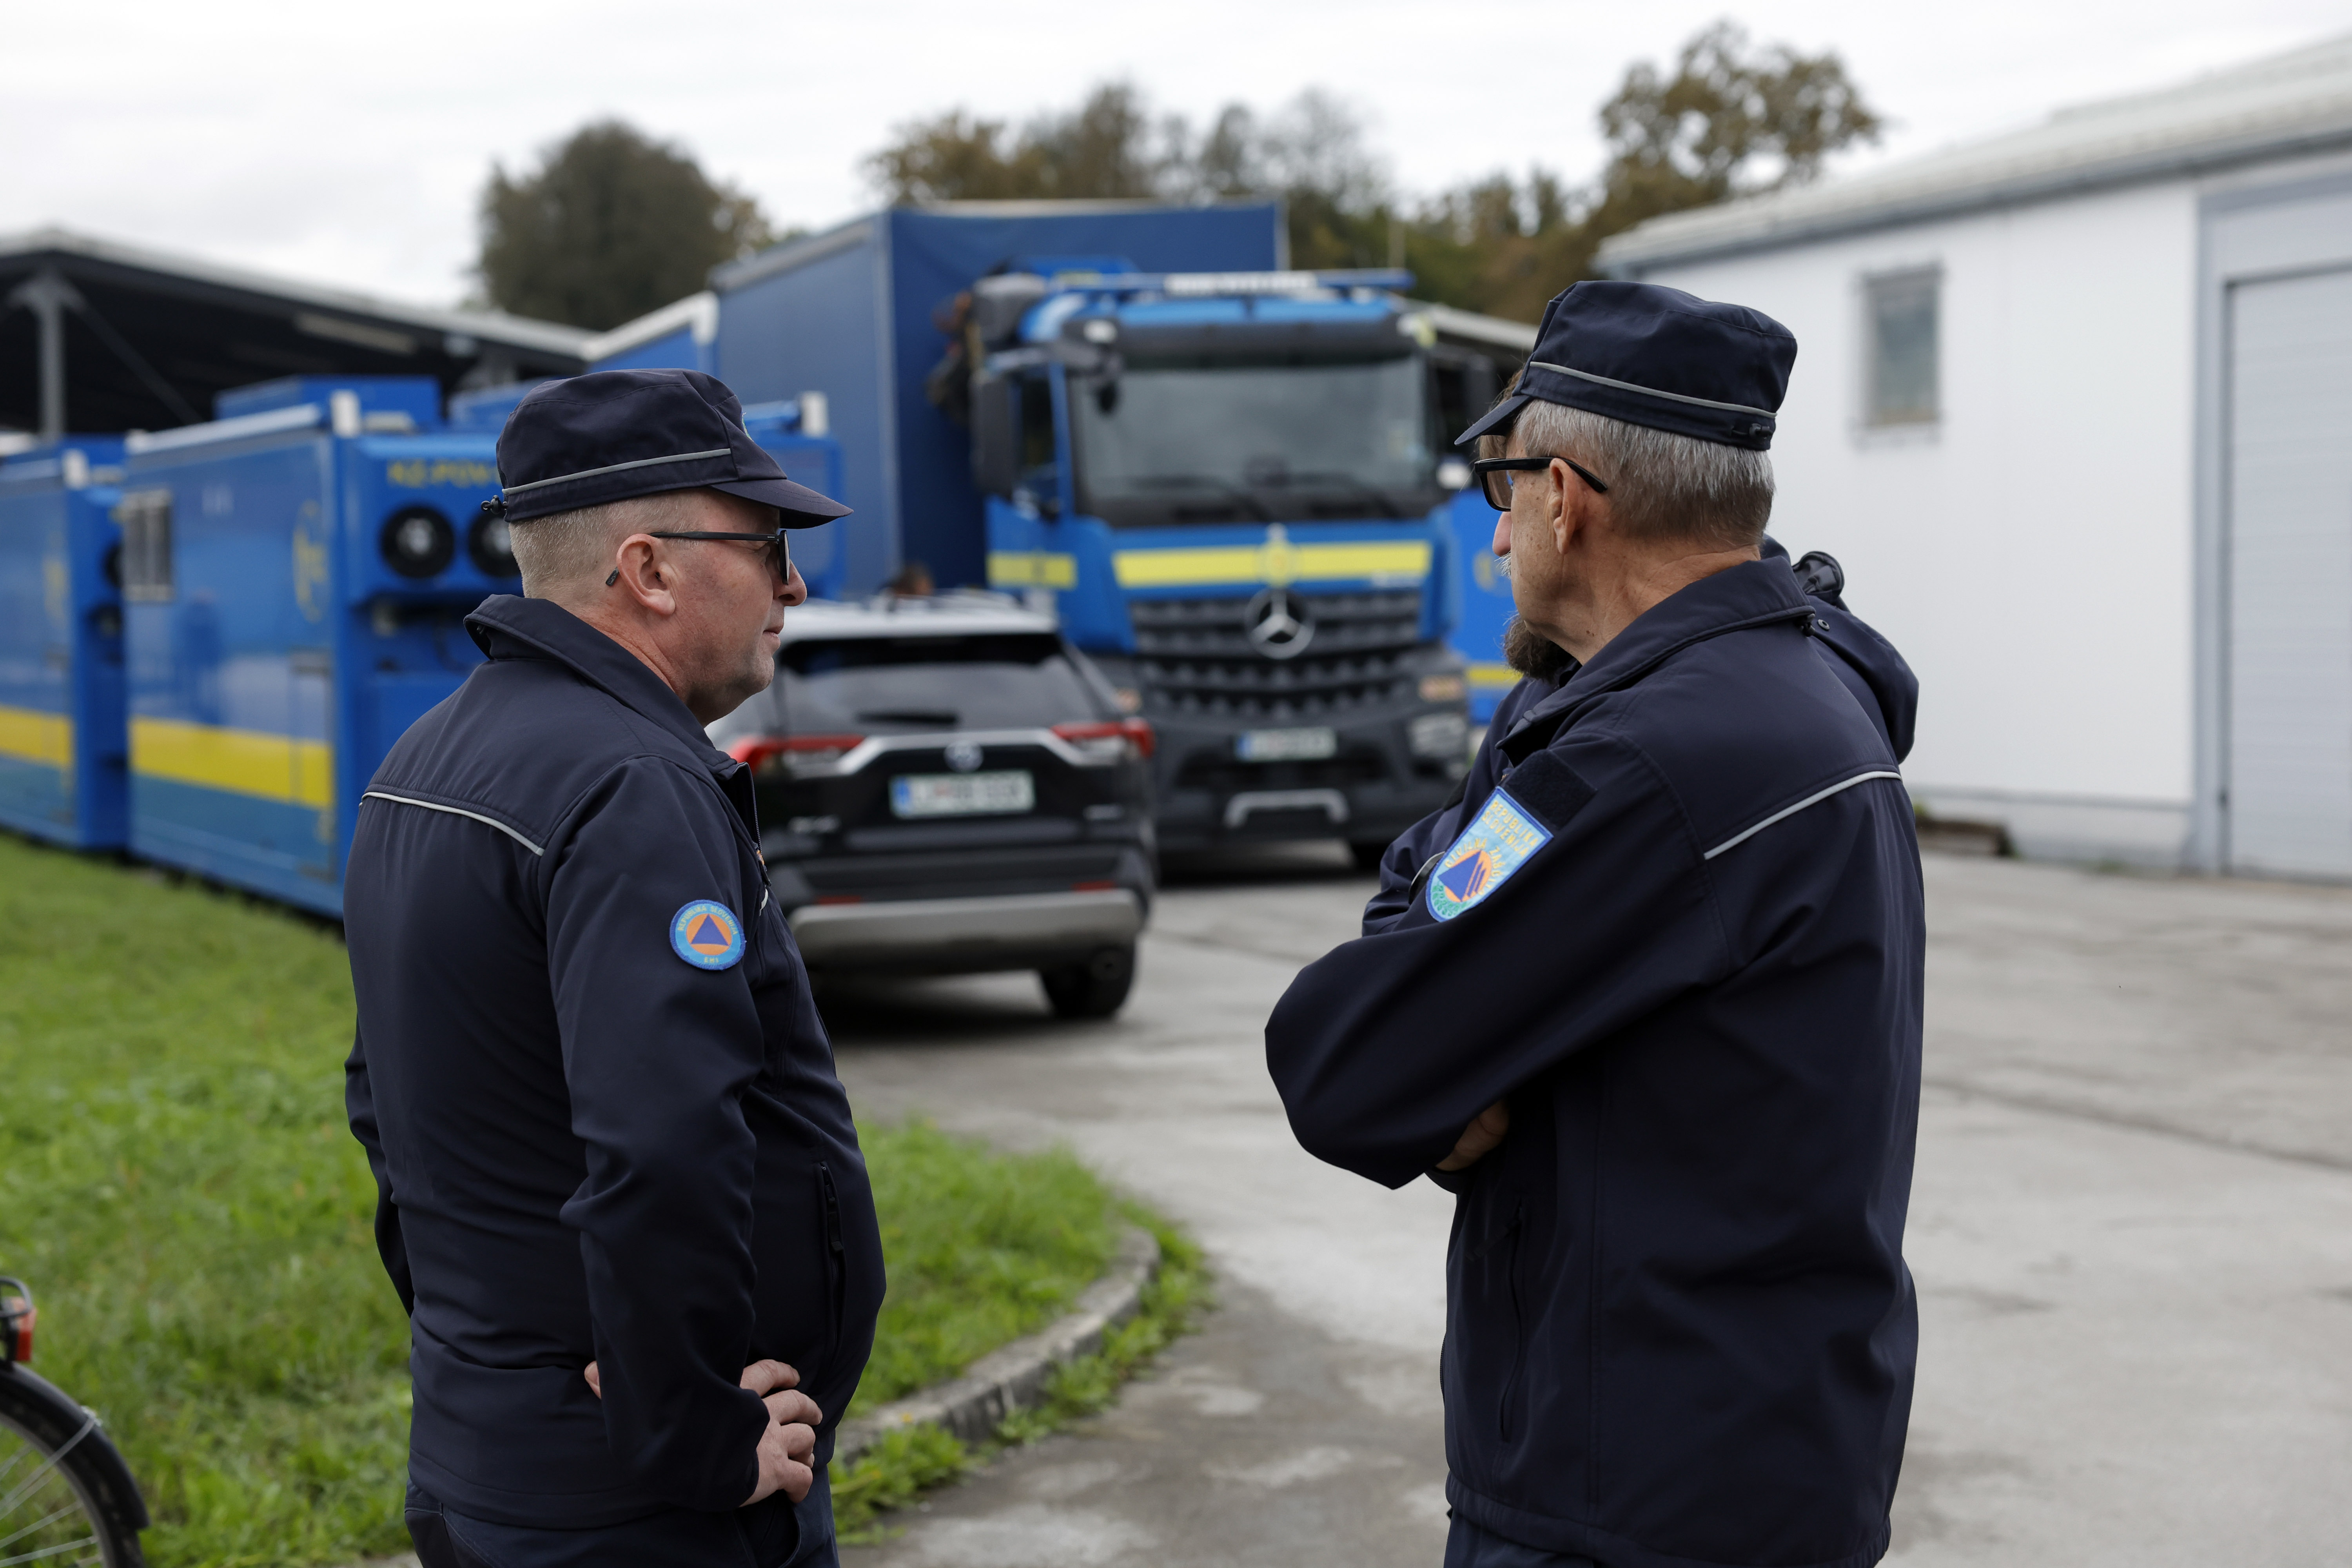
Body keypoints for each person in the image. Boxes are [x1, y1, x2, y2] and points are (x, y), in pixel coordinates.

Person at [1264, 281, 1924, 1568]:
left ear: (1564, 497)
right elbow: (1424, 883)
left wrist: (1457, 1054)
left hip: (1634, 1492)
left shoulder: (1647, 759)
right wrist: (1450, 1010)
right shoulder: (1769, 685)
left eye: (1499, 492)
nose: (1494, 542)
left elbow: (1342, 1063)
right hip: (1751, 1451)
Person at [343, 368, 886, 1568]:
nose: (793, 582)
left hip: (499, 1455)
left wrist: (495, 1351)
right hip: (646, 1511)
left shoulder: (426, 756)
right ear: (648, 570)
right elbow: (665, 1143)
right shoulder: (630, 785)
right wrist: (694, 1429)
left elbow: (386, 1103)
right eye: (765, 541)